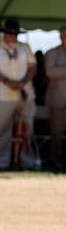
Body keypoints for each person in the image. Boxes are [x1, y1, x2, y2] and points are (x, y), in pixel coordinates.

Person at [0, 19, 37, 170]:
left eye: (15, 33)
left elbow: (32, 67)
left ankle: (27, 162)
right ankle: (2, 163)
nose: (12, 36)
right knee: (2, 130)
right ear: (5, 33)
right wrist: (7, 82)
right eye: (10, 33)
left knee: (26, 129)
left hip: (24, 94)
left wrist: (23, 81)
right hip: (2, 96)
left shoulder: (25, 47)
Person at [44, 26, 66, 171]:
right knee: (57, 132)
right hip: (58, 99)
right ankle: (55, 160)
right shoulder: (52, 53)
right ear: (61, 37)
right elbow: (50, 72)